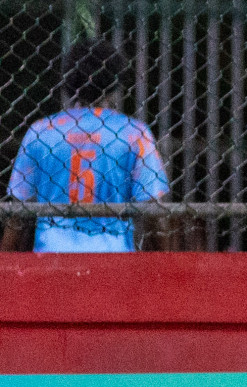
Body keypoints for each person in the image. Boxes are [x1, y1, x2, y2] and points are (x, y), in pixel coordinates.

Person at [3, 41, 170, 253]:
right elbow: (154, 214)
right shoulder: (133, 133)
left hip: (52, 252)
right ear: (114, 83)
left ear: (68, 82)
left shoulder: (42, 131)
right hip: (112, 252)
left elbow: (18, 215)